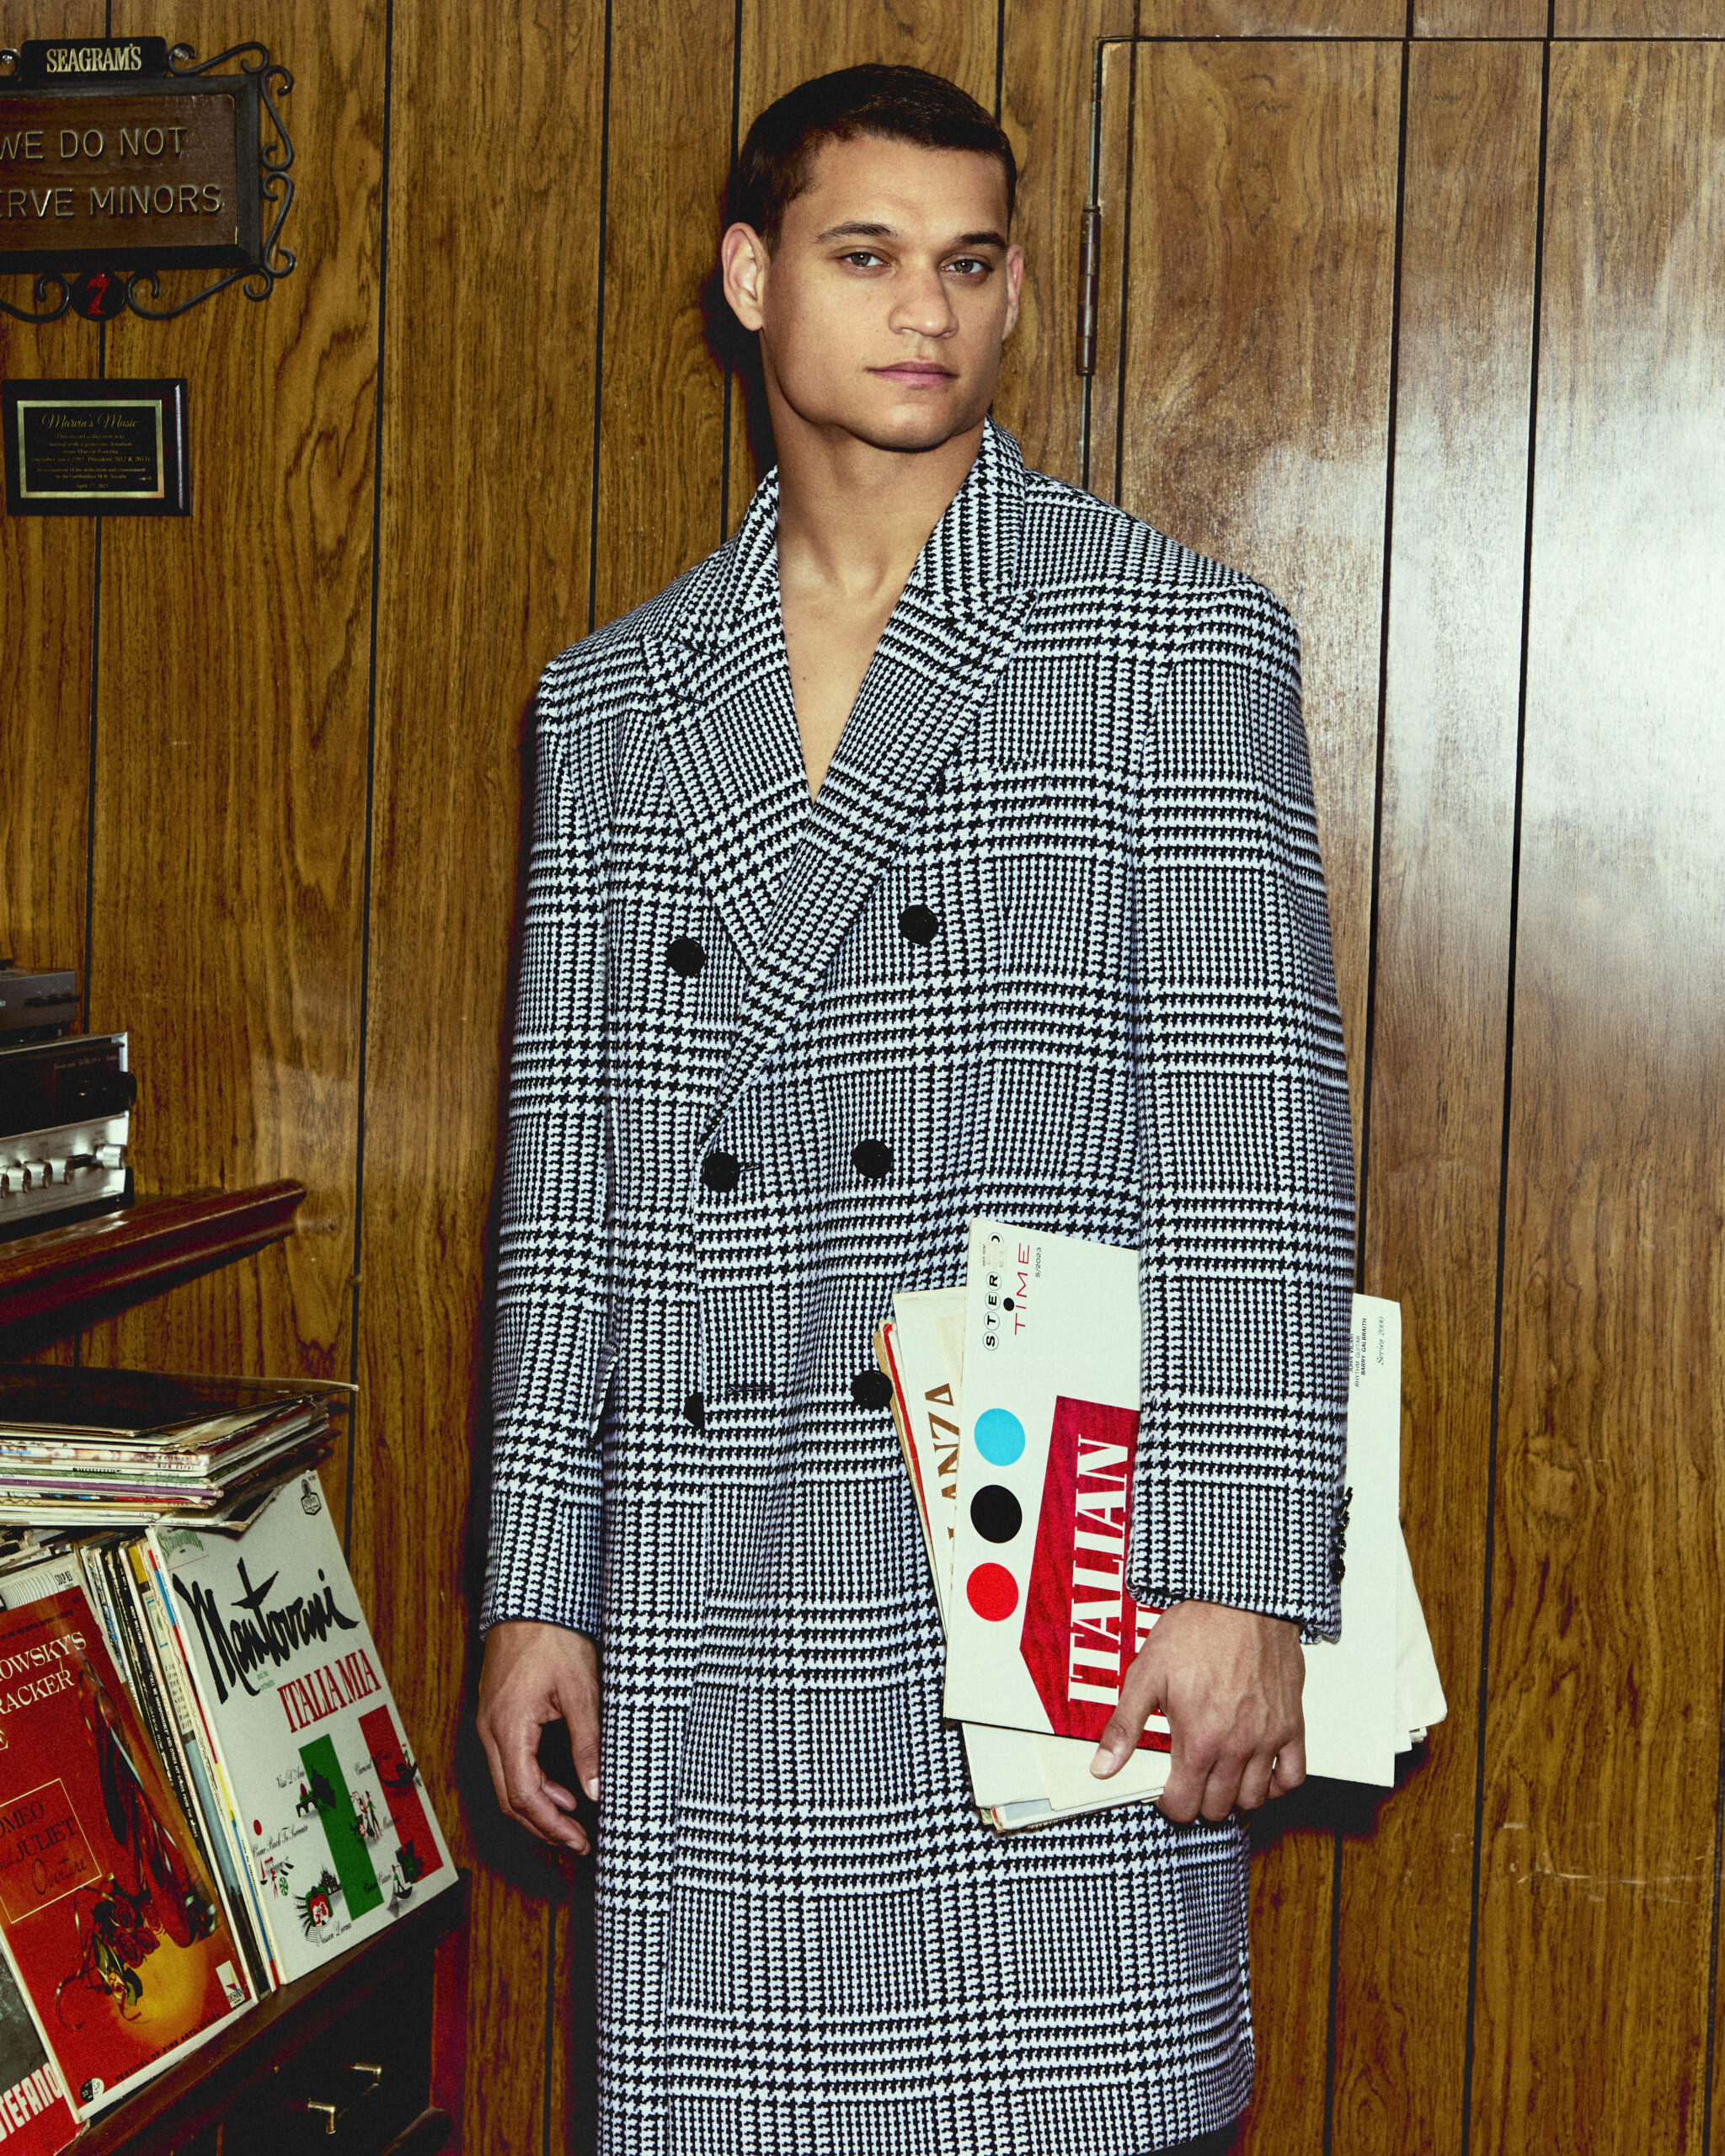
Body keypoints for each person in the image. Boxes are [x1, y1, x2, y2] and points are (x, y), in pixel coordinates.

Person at [477, 63, 1354, 2156]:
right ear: (750, 276)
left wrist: (1240, 1575)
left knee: (1051, 2100)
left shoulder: (1167, 640)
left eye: (969, 265)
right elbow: (574, 1177)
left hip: (1036, 1572)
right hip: (706, 1555)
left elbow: (1258, 1153)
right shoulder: (613, 697)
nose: (923, 312)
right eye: (865, 258)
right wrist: (539, 1573)